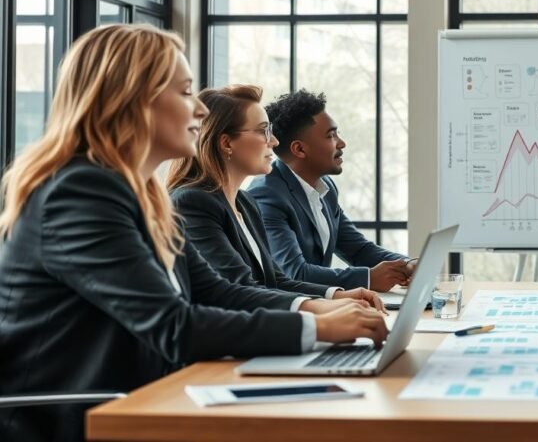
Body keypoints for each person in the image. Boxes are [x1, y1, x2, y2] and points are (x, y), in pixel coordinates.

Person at [0, 25, 387, 442]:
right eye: (185, 92)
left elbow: (219, 291)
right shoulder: (80, 192)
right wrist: (321, 330)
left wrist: (317, 309)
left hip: (141, 399)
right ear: (134, 100)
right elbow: (174, 325)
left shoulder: (144, 196)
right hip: (74, 419)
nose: (200, 112)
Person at [167, 84, 383, 308]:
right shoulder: (193, 203)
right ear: (226, 143)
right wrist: (321, 309)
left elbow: (275, 281)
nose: (274, 141)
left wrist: (337, 295)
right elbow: (239, 289)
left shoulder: (245, 203)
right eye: (263, 131)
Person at [248, 90, 412, 291]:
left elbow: (358, 250)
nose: (342, 143)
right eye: (331, 135)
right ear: (299, 149)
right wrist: (368, 278)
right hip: (289, 315)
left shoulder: (326, 189)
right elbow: (295, 273)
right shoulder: (267, 195)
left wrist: (407, 265)